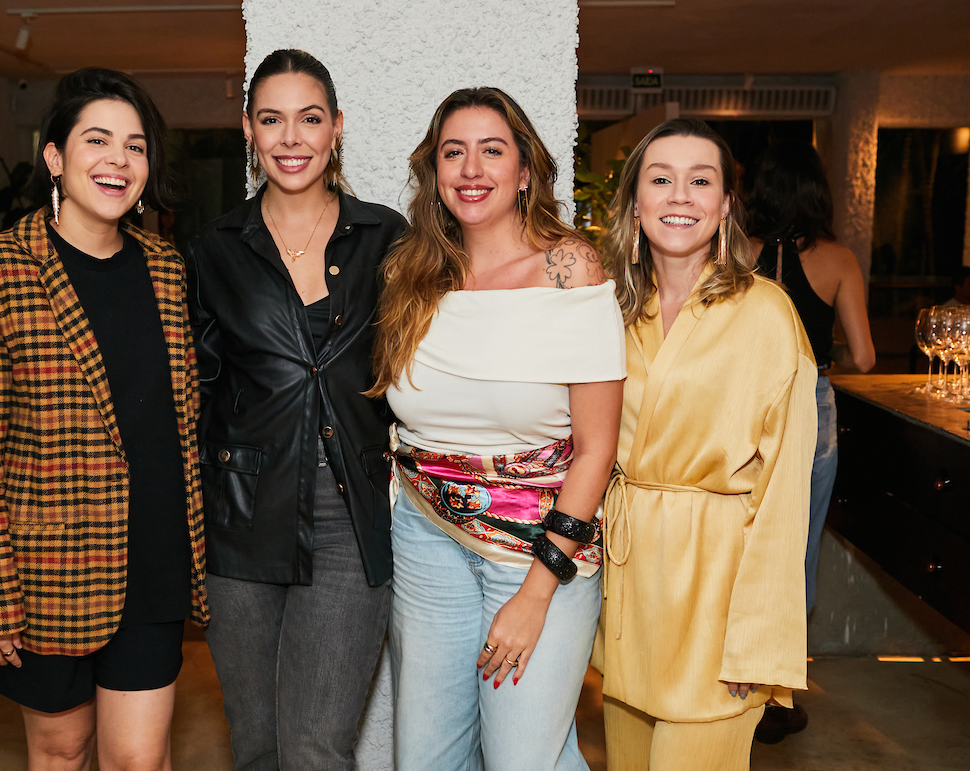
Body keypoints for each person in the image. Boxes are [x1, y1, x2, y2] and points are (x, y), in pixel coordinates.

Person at [0, 67, 206, 771]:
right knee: (61, 748)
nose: (119, 160)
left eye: (136, 146)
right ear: (55, 158)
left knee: (139, 759)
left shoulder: (166, 269)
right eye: (98, 140)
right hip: (47, 570)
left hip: (153, 552)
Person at [369, 87, 626, 771]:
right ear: (434, 172)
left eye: (492, 150)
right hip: (426, 538)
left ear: (524, 171)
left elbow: (598, 447)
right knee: (424, 759)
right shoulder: (411, 273)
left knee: (523, 760)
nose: (472, 168)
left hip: (540, 550)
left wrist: (538, 590)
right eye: (454, 152)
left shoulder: (568, 269)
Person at [186, 49, 406, 771]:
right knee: (256, 746)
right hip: (240, 518)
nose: (291, 138)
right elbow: (198, 391)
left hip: (350, 513)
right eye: (271, 119)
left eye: (309, 119)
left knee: (314, 748)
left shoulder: (387, 240)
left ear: (336, 128)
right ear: (247, 129)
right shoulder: (214, 248)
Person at [596, 118, 816, 771]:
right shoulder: (610, 310)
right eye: (661, 179)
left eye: (701, 181)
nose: (680, 196)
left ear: (725, 205)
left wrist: (757, 642)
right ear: (635, 201)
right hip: (630, 594)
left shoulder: (767, 315)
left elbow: (782, 499)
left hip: (718, 607)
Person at [744, 141, 875, 743]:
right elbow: (868, 357)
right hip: (810, 404)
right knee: (797, 545)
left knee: (739, 540)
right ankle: (781, 694)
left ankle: (733, 681)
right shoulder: (838, 259)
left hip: (741, 403)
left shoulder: (737, 253)